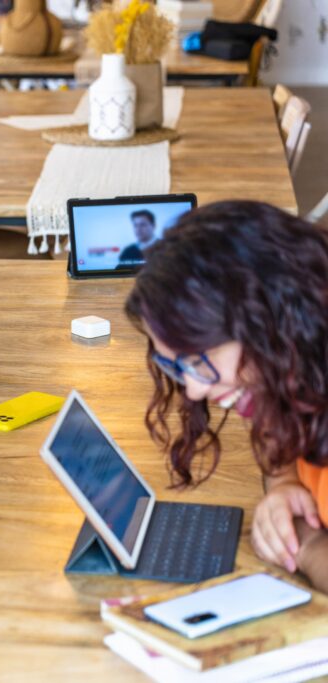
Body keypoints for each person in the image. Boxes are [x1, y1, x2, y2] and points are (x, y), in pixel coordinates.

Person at [125, 200, 328, 592]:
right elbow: (277, 447)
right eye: (176, 367)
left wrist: (306, 543)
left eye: (201, 361)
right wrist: (286, 486)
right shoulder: (292, 374)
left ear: (272, 325)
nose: (195, 389)